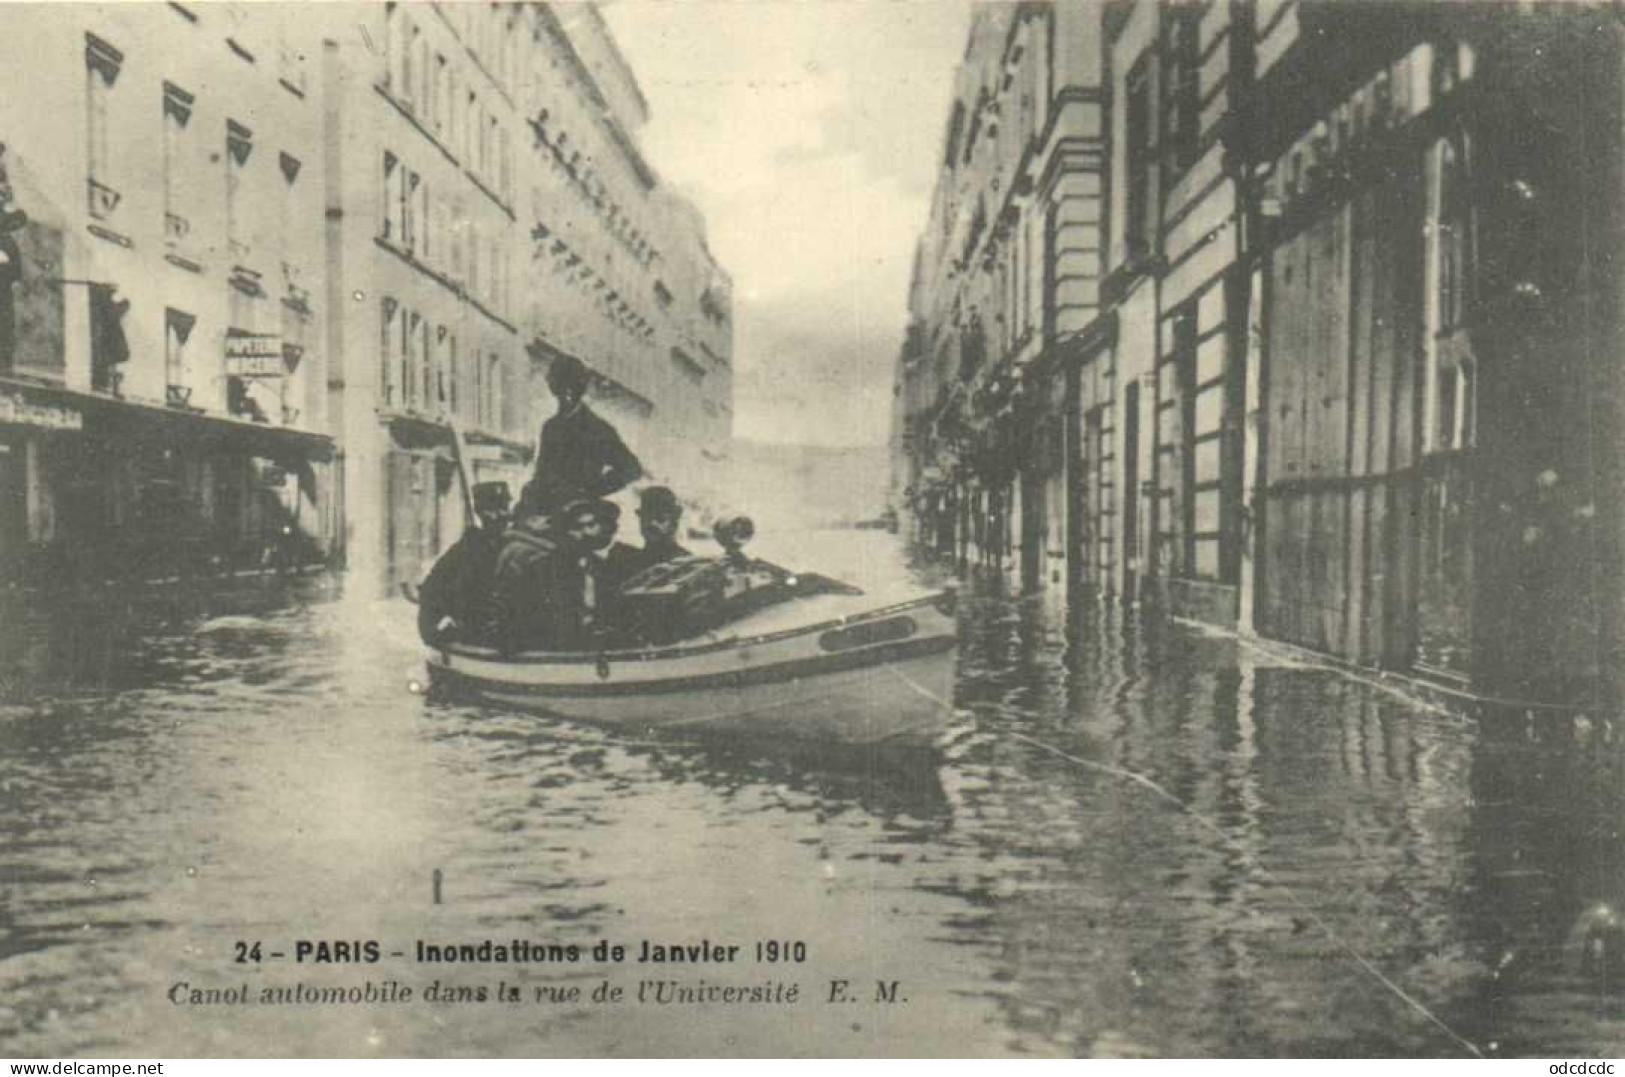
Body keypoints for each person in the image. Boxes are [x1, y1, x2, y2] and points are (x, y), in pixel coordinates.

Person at [519, 354, 643, 518]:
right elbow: (542, 473)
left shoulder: (597, 429)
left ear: (576, 389)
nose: (563, 396)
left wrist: (590, 492)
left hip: (579, 517)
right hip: (548, 513)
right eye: (558, 389)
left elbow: (632, 469)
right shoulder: (550, 427)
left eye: (567, 389)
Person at [492, 497, 620, 654]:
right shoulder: (543, 569)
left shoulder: (602, 568)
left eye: (591, 525)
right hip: (556, 655)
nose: (586, 532)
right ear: (563, 533)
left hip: (596, 651)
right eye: (577, 527)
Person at [417, 481, 513, 646]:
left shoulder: (516, 546)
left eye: (504, 508)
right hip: (476, 634)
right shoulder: (465, 550)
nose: (500, 515)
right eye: (491, 509)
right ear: (480, 513)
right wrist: (433, 632)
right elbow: (430, 590)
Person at [604, 485, 691, 589]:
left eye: (660, 518)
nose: (652, 523)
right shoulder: (624, 560)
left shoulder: (687, 563)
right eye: (646, 517)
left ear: (675, 522)